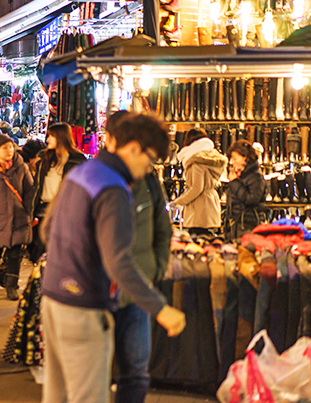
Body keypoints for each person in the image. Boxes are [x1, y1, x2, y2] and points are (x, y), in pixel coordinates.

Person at [40, 112, 186, 403]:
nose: (147, 169)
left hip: (53, 299)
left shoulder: (82, 172)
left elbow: (47, 230)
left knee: (57, 396)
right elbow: (117, 261)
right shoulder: (114, 189)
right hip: (85, 307)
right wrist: (160, 308)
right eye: (149, 159)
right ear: (133, 148)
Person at [105, 111, 173, 403]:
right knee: (94, 372)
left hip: (137, 292)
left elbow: (162, 225)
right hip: (100, 293)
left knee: (136, 371)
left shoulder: (148, 181)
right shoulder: (96, 179)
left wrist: (156, 268)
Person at [0, 134, 35, 299]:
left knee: (14, 256)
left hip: (18, 218)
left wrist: (28, 211)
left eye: (11, 147)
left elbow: (30, 190)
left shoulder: (22, 168)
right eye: (5, 148)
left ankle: (11, 286)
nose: (9, 150)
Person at [30, 123, 85, 262]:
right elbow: (37, 186)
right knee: (40, 253)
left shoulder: (77, 160)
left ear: (61, 137)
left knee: (60, 253)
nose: (48, 139)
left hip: (65, 210)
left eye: (52, 136)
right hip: (42, 210)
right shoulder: (44, 158)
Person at [169, 128, 228, 237]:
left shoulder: (197, 162)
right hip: (209, 203)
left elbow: (196, 188)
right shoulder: (210, 160)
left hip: (199, 207)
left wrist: (178, 202)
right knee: (206, 238)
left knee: (197, 238)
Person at [226, 139, 266, 239]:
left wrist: (234, 183)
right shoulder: (239, 174)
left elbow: (252, 199)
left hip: (248, 225)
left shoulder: (256, 176)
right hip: (235, 225)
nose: (232, 162)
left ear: (245, 158)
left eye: (235, 159)